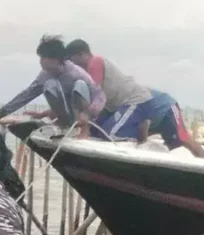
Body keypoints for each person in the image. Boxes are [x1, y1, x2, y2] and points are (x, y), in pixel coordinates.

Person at [66, 39, 204, 157]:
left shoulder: (95, 64)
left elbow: (94, 95)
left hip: (165, 107)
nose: (72, 67)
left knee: (183, 140)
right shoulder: (112, 91)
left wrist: (85, 119)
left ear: (81, 55)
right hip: (146, 112)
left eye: (72, 62)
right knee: (121, 134)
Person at [0, 35, 106, 136]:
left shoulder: (76, 73)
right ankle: (63, 126)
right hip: (67, 116)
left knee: (80, 85)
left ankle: (85, 131)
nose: (41, 61)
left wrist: (87, 113)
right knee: (50, 85)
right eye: (40, 58)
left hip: (84, 116)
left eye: (43, 57)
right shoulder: (45, 76)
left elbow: (100, 95)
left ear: (56, 59)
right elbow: (26, 95)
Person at [65, 39, 155, 142]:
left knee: (110, 136)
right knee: (97, 132)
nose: (71, 64)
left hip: (136, 101)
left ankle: (139, 143)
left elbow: (95, 93)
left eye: (71, 60)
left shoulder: (95, 62)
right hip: (119, 107)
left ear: (81, 55)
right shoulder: (84, 73)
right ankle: (138, 134)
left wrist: (85, 115)